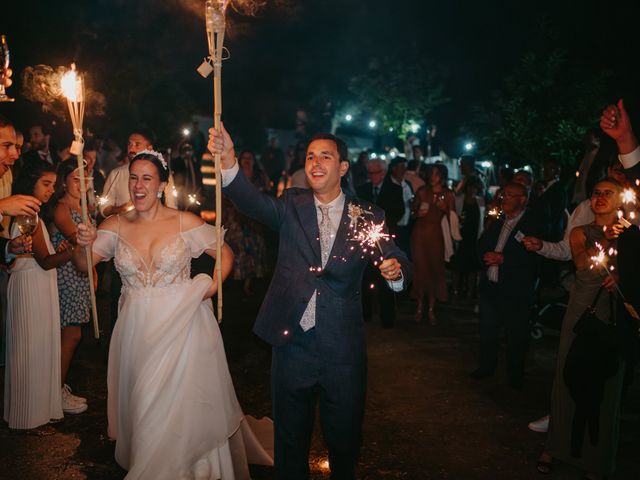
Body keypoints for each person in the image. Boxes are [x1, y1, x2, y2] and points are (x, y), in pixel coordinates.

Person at [209, 126, 412, 480]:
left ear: (344, 168)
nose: (316, 163)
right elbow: (252, 202)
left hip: (342, 348)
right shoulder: (291, 204)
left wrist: (395, 273)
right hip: (292, 344)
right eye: (310, 157)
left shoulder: (367, 215)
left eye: (326, 156)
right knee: (290, 441)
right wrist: (228, 159)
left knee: (345, 439)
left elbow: (395, 255)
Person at [75, 150, 271, 479]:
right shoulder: (115, 225)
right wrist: (81, 244)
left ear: (163, 184)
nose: (138, 185)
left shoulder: (184, 222)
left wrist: (208, 287)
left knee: (179, 400)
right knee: (145, 399)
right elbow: (84, 264)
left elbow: (225, 253)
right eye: (133, 177)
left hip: (184, 327)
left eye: (147, 178)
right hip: (137, 330)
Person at [536, 179, 626, 479]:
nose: (600, 198)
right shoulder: (580, 232)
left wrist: (623, 276)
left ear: (619, 200)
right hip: (581, 311)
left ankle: (596, 458)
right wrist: (608, 240)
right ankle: (557, 446)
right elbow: (584, 265)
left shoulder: (631, 235)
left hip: (612, 315)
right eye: (596, 193)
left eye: (607, 193)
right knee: (567, 377)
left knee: (605, 385)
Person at [4, 163, 73, 432]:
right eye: (46, 183)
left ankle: (34, 411)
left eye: (54, 185)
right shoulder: (27, 217)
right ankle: (30, 414)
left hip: (36, 284)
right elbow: (45, 261)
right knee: (30, 348)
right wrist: (72, 251)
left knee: (35, 347)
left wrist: (63, 250)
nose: (51, 190)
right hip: (31, 287)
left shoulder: (34, 217)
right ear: (31, 182)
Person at [471, 182, 542, 388]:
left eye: (511, 195)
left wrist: (504, 259)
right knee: (487, 330)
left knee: (516, 334)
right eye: (504, 194)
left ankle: (515, 376)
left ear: (523, 200)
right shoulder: (499, 219)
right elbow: (482, 243)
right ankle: (486, 367)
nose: (505, 199)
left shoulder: (532, 223)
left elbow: (535, 257)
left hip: (515, 289)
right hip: (491, 285)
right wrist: (484, 255)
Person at [49, 160, 91, 414]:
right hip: (67, 274)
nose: (81, 184)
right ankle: (54, 390)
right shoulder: (62, 208)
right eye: (76, 179)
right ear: (63, 180)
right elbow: (77, 238)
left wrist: (93, 272)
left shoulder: (83, 207)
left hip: (81, 274)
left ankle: (58, 385)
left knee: (72, 333)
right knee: (70, 333)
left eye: (86, 179)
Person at [356, 158, 405, 328]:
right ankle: (366, 314)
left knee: (386, 279)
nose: (372, 176)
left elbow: (398, 211)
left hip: (385, 241)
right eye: (369, 173)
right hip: (365, 243)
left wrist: (380, 226)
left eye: (375, 172)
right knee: (365, 278)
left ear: (383, 173)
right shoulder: (362, 190)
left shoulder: (394, 189)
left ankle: (387, 317)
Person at [410, 164, 455, 324]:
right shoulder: (422, 191)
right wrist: (417, 213)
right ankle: (420, 305)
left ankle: (431, 308)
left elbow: (455, 219)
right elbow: (413, 213)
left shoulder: (448, 194)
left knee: (435, 268)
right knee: (420, 268)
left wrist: (445, 210)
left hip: (436, 233)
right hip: (420, 233)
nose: (433, 177)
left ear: (442, 176)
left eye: (436, 174)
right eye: (431, 173)